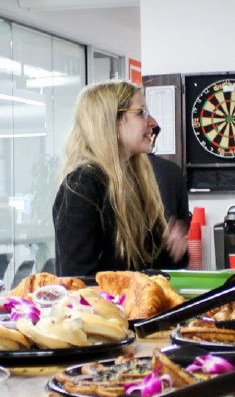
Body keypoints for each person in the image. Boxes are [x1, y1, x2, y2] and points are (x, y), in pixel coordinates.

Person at [52, 80, 187, 276]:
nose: (153, 123)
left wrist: (173, 250)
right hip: (105, 307)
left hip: (138, 306)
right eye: (141, 113)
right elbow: (78, 282)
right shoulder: (82, 186)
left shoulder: (136, 180)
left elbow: (151, 269)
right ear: (113, 122)